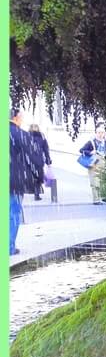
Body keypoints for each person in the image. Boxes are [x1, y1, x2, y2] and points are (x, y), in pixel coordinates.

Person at [9, 108, 36, 255]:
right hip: (14, 181)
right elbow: (32, 158)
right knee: (12, 213)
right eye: (21, 118)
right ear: (16, 118)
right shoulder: (20, 134)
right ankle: (8, 247)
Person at [80, 126, 106, 204]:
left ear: (104, 134)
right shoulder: (91, 142)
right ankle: (96, 199)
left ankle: (104, 197)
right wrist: (90, 152)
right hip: (94, 163)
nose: (100, 134)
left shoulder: (105, 142)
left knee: (104, 181)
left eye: (102, 133)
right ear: (96, 133)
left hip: (104, 163)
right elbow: (81, 150)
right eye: (98, 132)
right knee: (95, 181)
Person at [27, 124, 51, 201]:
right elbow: (46, 149)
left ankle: (35, 192)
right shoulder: (41, 136)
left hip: (30, 160)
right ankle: (36, 194)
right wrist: (48, 160)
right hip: (38, 160)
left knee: (33, 176)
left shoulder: (27, 136)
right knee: (38, 176)